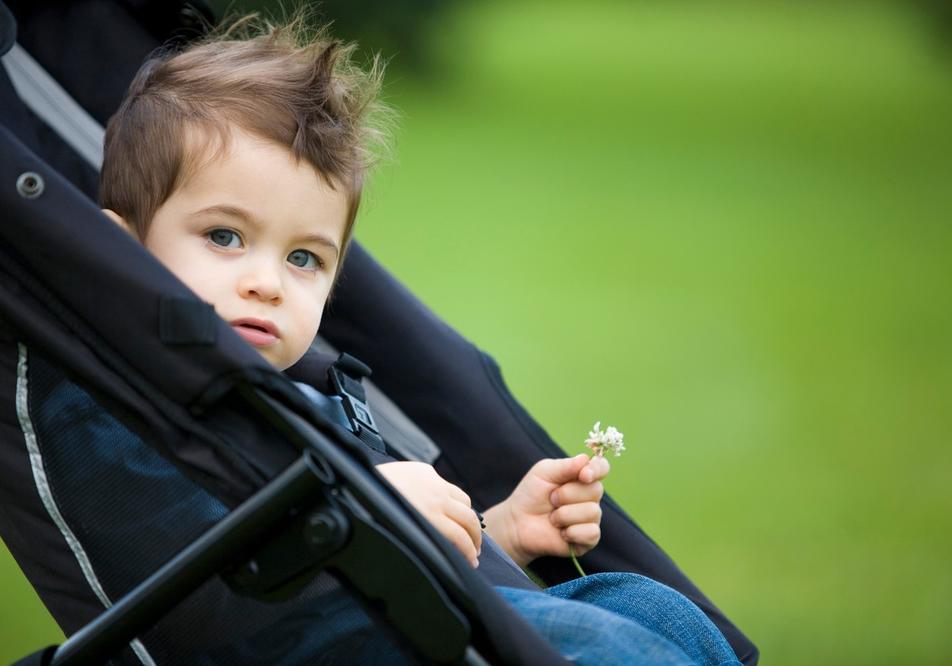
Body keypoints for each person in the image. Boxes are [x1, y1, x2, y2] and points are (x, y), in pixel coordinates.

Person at [80, 14, 742, 665]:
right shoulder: (117, 410)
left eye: (304, 258)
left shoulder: (286, 393)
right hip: (325, 646)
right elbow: (195, 589)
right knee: (607, 647)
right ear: (120, 248)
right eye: (224, 236)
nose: (268, 283)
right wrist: (371, 506)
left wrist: (495, 536)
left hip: (409, 617)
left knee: (649, 606)